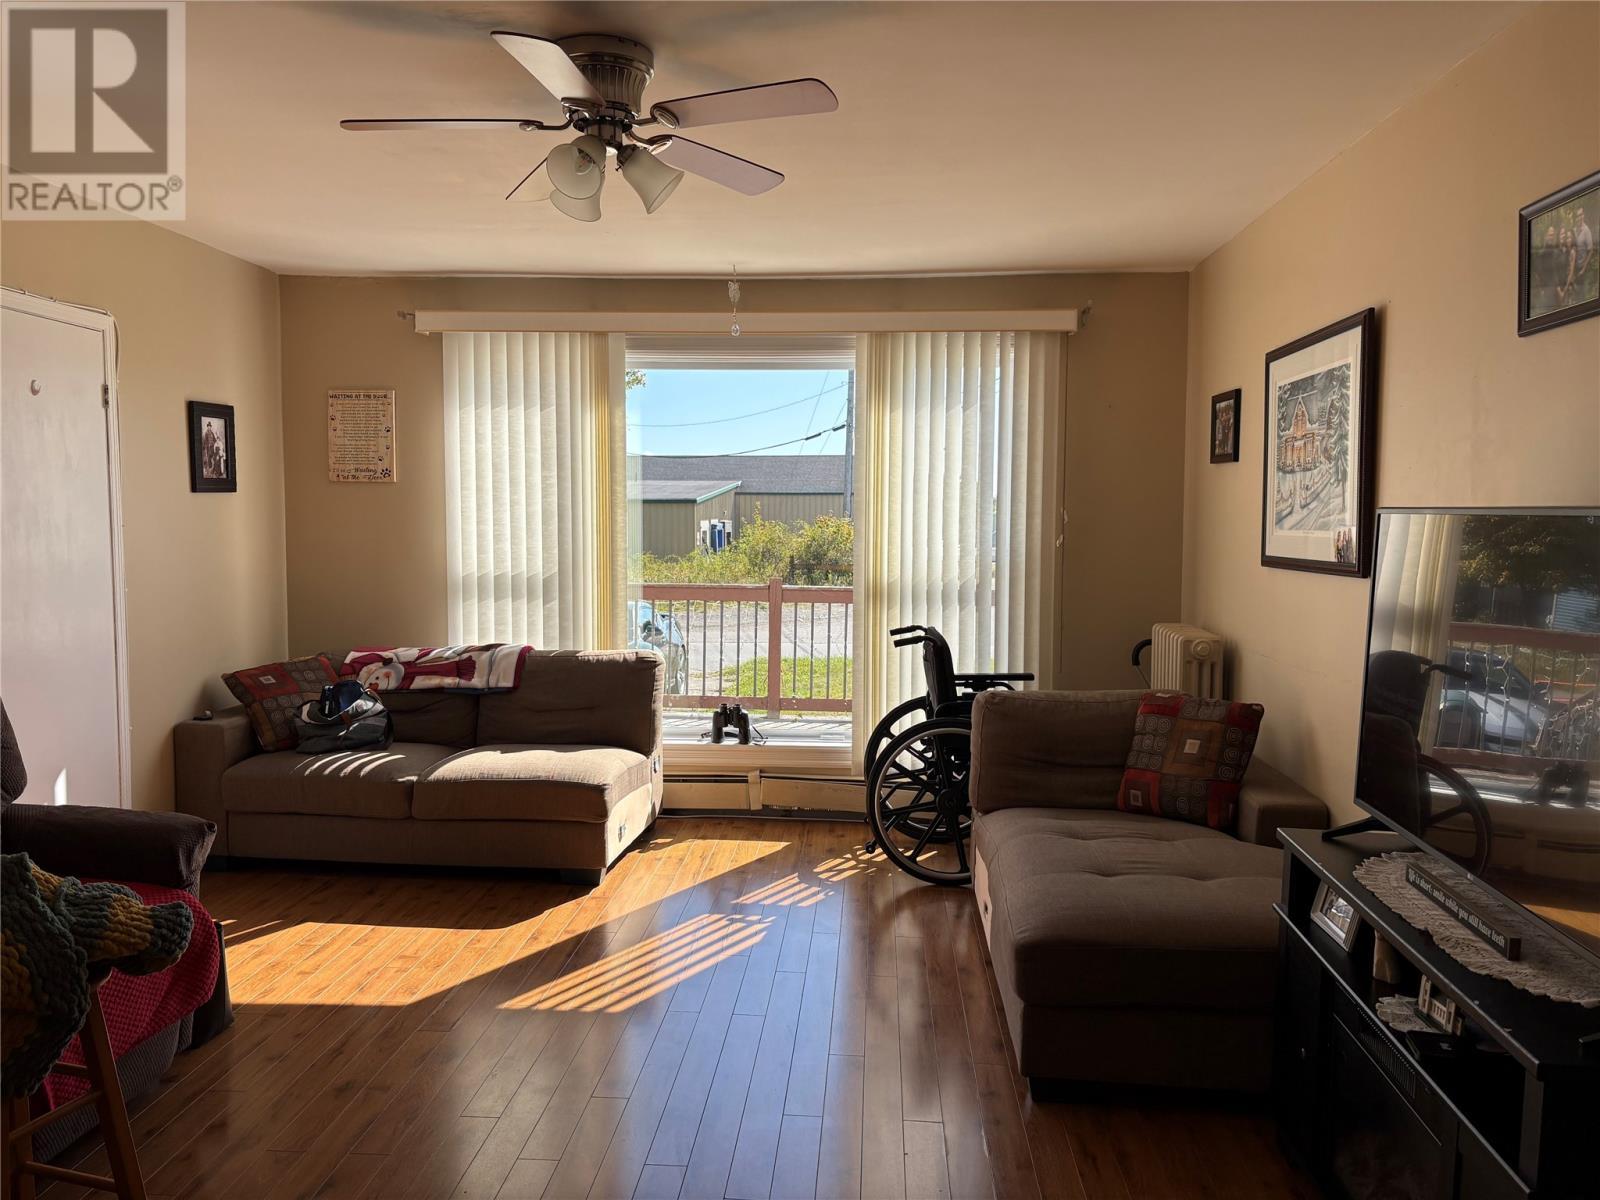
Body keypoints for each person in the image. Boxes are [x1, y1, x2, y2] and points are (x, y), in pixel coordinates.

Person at [1574, 204, 1596, 302]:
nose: (1579, 217)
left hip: (1583, 268)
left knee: (1582, 295)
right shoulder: (1574, 230)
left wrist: (1583, 269)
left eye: (1581, 215)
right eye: (1577, 215)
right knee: (1575, 294)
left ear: (1583, 215)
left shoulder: (1587, 231)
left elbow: (1591, 250)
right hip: (1574, 267)